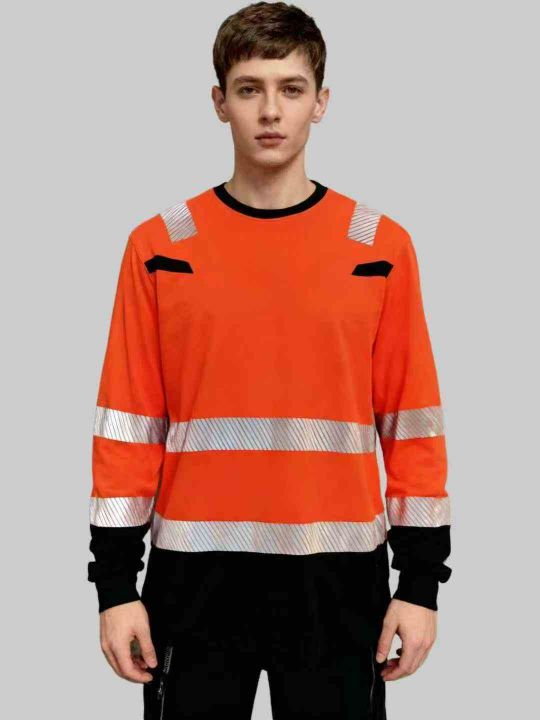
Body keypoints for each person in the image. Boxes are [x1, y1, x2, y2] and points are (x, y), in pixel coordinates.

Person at [87, 2, 452, 717]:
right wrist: (115, 588)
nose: (271, 110)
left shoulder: (380, 248)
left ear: (322, 102)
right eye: (249, 88)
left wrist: (419, 585)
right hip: (193, 582)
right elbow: (127, 425)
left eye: (291, 88)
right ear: (219, 101)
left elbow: (413, 425)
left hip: (337, 582)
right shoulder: (159, 248)